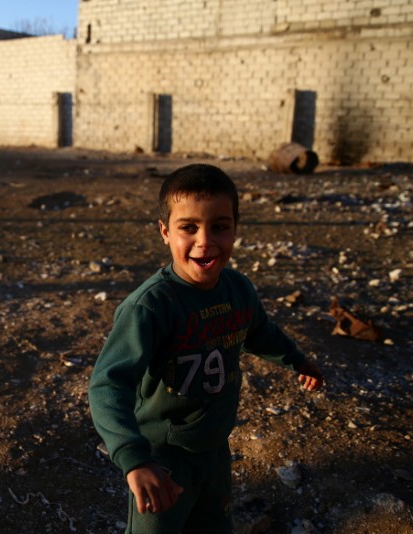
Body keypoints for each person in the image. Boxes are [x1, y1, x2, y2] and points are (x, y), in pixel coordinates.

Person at [88, 163, 324, 533]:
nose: (205, 241)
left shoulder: (238, 289)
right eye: (188, 227)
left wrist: (296, 359)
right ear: (165, 232)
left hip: (215, 450)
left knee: (214, 526)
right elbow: (108, 384)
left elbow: (259, 332)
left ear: (235, 228)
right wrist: (134, 461)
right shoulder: (150, 307)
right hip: (163, 460)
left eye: (219, 227)